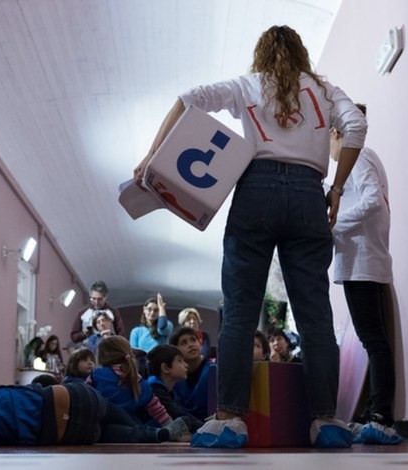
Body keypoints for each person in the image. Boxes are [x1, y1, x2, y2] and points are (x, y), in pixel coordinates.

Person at [134, 25, 366, 449]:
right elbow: (356, 127)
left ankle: (229, 421)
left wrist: (154, 153)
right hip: (308, 192)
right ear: (301, 54)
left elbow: (189, 98)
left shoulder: (248, 84)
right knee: (314, 314)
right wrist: (336, 189)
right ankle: (326, 421)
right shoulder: (324, 89)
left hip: (254, 189)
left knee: (240, 310)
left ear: (261, 54)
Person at [329, 103, 401, 445]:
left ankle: (381, 417)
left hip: (363, 261)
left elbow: (373, 200)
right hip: (362, 259)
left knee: (374, 340)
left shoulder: (357, 156)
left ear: (336, 132)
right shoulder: (362, 158)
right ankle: (375, 413)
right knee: (374, 339)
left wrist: (332, 223)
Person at [0, 381, 186, 446]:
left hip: (58, 433)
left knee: (102, 435)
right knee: (108, 410)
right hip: (68, 397)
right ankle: (152, 429)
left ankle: (154, 434)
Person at [88, 336, 189, 441]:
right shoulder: (138, 379)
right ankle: (163, 433)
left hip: (110, 427)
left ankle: (157, 434)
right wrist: (170, 425)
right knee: (138, 425)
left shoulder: (97, 375)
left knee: (109, 429)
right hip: (132, 423)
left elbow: (86, 395)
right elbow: (158, 410)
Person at [146, 345, 204, 432]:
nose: (186, 365)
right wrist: (205, 428)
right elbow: (177, 414)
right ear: (166, 368)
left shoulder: (166, 390)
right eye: (180, 361)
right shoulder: (154, 390)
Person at [169, 327, 213, 422]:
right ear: (176, 350)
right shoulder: (174, 376)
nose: (191, 345)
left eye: (193, 340)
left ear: (200, 344)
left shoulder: (213, 371)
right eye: (184, 343)